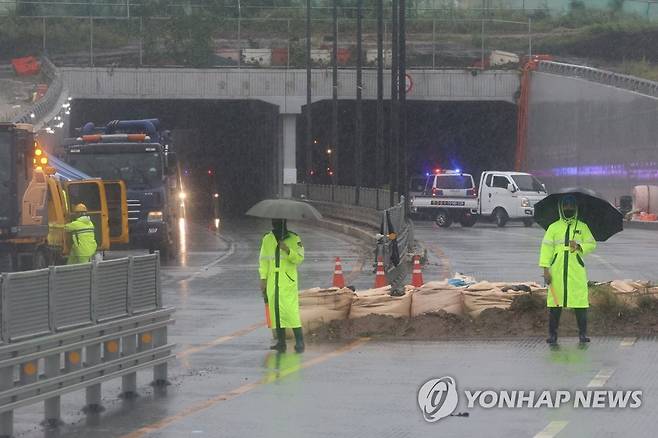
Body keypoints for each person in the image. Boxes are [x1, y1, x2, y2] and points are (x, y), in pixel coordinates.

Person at [539, 195, 596, 345]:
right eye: (566, 205)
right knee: (555, 303)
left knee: (580, 302)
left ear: (575, 207)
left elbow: (592, 243)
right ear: (561, 207)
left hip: (576, 270)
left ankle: (583, 334)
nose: (568, 208)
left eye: (571, 205)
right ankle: (552, 335)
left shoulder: (582, 226)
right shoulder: (553, 227)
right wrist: (545, 269)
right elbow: (546, 249)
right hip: (557, 270)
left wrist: (579, 246)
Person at [259, 219, 305, 353]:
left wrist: (287, 249)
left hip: (287, 281)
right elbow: (263, 260)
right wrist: (263, 278)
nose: (276, 226)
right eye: (275, 223)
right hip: (273, 280)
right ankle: (281, 342)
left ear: (284, 224)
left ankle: (299, 341)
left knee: (291, 311)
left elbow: (299, 258)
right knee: (276, 311)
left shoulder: (294, 238)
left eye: (279, 223)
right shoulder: (267, 239)